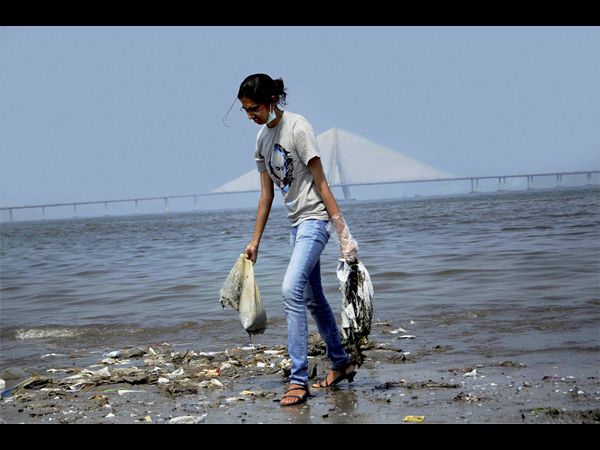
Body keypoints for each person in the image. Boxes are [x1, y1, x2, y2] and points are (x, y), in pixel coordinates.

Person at [237, 73, 360, 407]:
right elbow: (266, 197)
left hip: (315, 222)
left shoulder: (298, 128)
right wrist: (255, 242)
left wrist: (343, 233)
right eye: (246, 110)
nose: (250, 116)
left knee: (290, 290)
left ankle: (298, 379)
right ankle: (341, 362)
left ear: (271, 101)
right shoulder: (262, 140)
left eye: (254, 108)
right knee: (312, 297)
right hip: (296, 227)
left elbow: (321, 182)